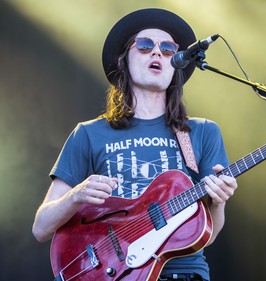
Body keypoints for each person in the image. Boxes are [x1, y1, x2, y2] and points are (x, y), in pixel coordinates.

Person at [32, 8, 238, 281]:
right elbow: (41, 228)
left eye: (168, 49)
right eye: (144, 45)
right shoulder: (89, 134)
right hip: (119, 274)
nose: (157, 53)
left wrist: (219, 202)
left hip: (184, 274)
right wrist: (76, 196)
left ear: (177, 64)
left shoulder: (201, 132)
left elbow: (207, 235)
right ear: (124, 61)